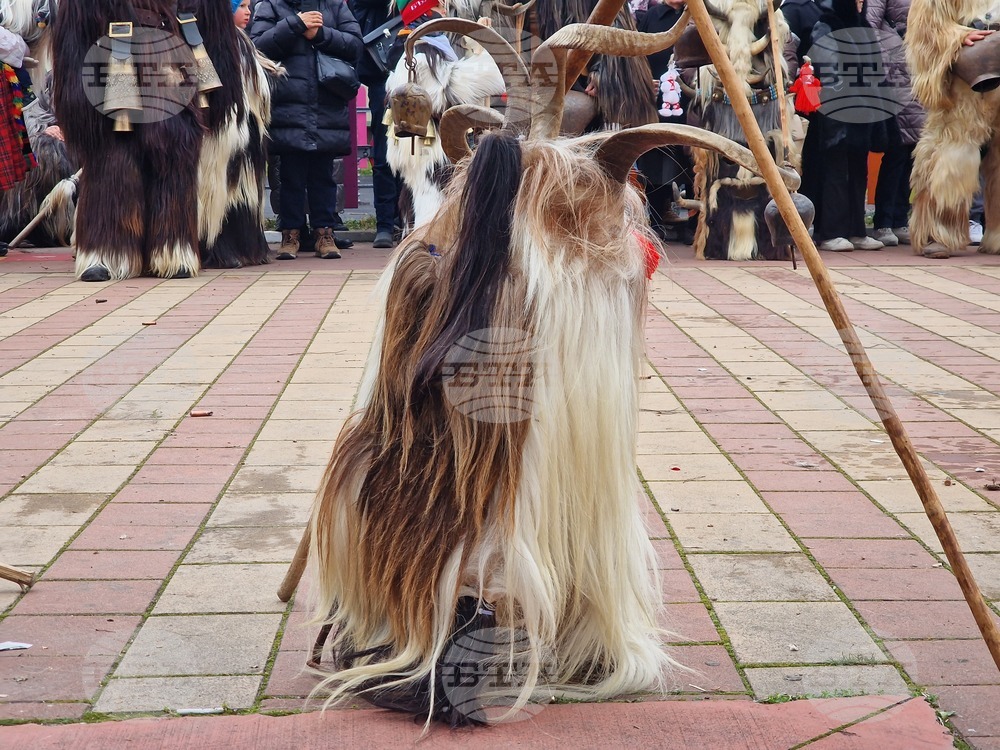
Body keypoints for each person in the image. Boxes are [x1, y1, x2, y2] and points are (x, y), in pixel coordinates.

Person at [250, 0, 363, 260]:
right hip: (287, 105)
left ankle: (325, 234)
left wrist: (320, 35)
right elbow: (257, 47)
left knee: (324, 175)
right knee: (290, 176)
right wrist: (295, 25)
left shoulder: (335, 5)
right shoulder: (272, 5)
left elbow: (355, 46)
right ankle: (290, 235)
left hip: (327, 103)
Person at [799, 0, 884, 252]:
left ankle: (857, 230)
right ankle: (831, 232)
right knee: (834, 172)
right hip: (835, 115)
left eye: (862, 1)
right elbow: (828, 72)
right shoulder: (826, 25)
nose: (860, 4)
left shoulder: (864, 27)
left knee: (859, 172)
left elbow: (877, 71)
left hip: (863, 113)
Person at [866, 0, 922, 247]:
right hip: (896, 76)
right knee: (897, 152)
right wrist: (890, 56)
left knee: (913, 153)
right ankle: (884, 221)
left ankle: (900, 217)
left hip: (918, 73)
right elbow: (869, 23)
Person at [349, 0, 399, 248]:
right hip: (382, 70)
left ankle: (408, 219)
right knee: (385, 150)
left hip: (418, 65)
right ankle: (386, 224)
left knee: (418, 147)